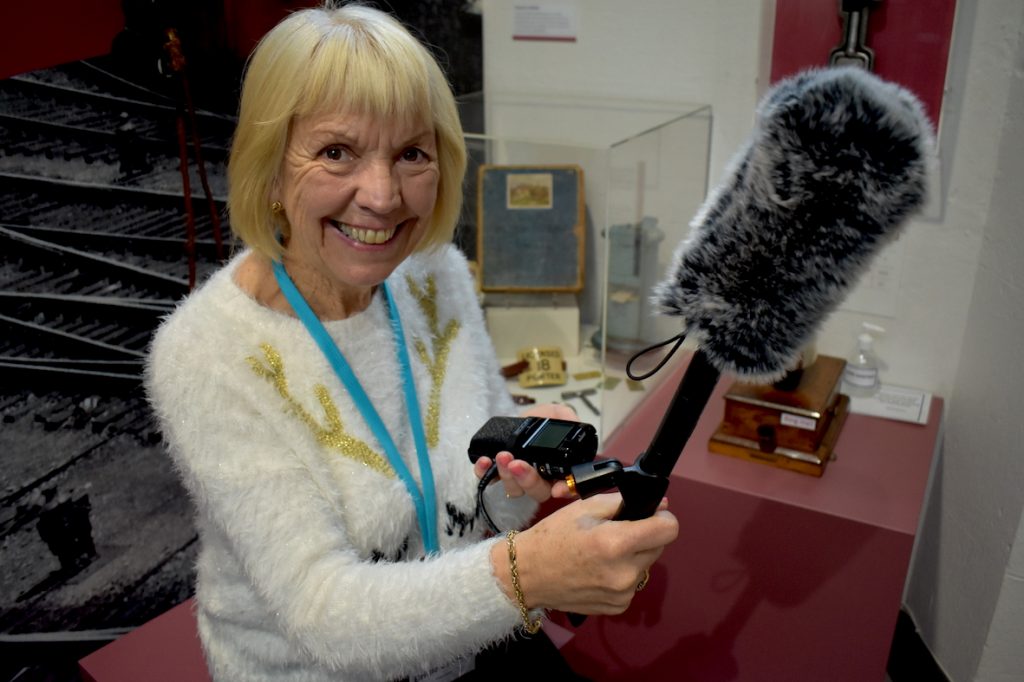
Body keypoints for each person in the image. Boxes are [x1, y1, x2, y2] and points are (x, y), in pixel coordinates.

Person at [145, 3, 679, 680]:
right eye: (336, 151)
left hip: (468, 641)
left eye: (411, 154)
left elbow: (478, 502)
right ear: (271, 167)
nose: (383, 195)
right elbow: (323, 614)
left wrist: (524, 486)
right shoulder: (206, 352)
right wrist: (527, 576)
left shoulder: (436, 276)